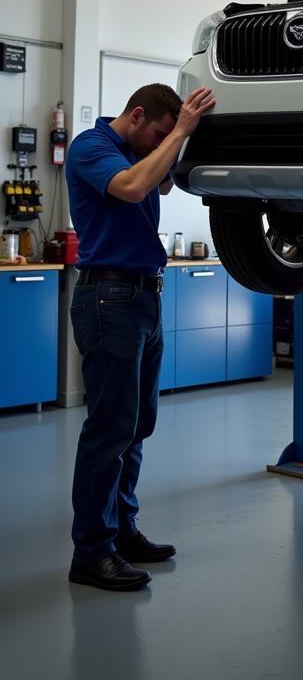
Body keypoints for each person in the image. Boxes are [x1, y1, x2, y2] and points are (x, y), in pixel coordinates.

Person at [66, 83, 216, 591]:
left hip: (144, 298)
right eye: (156, 133)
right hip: (108, 300)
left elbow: (168, 183)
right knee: (109, 431)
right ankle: (91, 552)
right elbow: (132, 188)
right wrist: (179, 132)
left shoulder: (137, 150)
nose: (160, 144)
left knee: (136, 427)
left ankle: (123, 532)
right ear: (136, 116)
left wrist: (183, 135)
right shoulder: (93, 147)